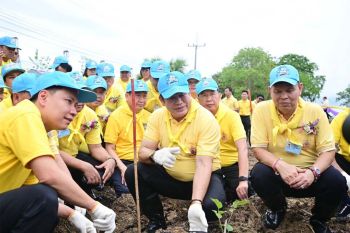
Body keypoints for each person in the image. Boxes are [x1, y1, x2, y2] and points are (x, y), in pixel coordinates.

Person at [0, 71, 116, 233]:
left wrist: (71, 213)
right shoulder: (25, 114)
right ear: (43, 97)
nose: (74, 111)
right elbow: (49, 175)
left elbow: (32, 185)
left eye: (76, 104)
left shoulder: (43, 129)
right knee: (44, 196)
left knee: (47, 204)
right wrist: (94, 206)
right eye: (68, 101)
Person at [250, 64, 347, 233]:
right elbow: (258, 149)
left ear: (300, 88)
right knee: (258, 174)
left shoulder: (315, 111)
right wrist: (280, 165)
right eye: (278, 91)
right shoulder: (261, 110)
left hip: (311, 176)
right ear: (270, 91)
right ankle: (277, 208)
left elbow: (328, 151)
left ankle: (319, 219)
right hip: (279, 175)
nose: (284, 96)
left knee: (337, 182)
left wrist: (313, 172)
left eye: (289, 90)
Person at [125, 71, 225, 233]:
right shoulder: (157, 117)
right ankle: (156, 219)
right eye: (172, 97)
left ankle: (205, 220)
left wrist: (196, 202)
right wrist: (154, 155)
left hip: (205, 178)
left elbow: (203, 163)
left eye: (182, 95)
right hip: (172, 179)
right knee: (133, 171)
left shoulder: (206, 119)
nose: (179, 102)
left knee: (211, 206)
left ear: (189, 93)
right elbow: (142, 152)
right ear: (162, 100)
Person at [196, 78, 251, 203]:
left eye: (212, 94)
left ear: (219, 95)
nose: (209, 99)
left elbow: (242, 148)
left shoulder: (232, 116)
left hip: (230, 165)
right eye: (204, 95)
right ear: (197, 99)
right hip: (208, 167)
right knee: (211, 203)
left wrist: (243, 179)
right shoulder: (195, 117)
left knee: (245, 193)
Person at [105, 80, 150, 197]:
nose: (141, 100)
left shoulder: (150, 117)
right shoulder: (116, 116)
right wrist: (122, 167)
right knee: (126, 191)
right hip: (123, 161)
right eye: (137, 95)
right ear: (127, 96)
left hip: (144, 161)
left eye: (144, 96)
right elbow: (109, 147)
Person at [330, 108, 350, 220]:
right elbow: (329, 151)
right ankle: (345, 203)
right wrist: (343, 175)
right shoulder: (340, 119)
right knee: (327, 165)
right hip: (345, 161)